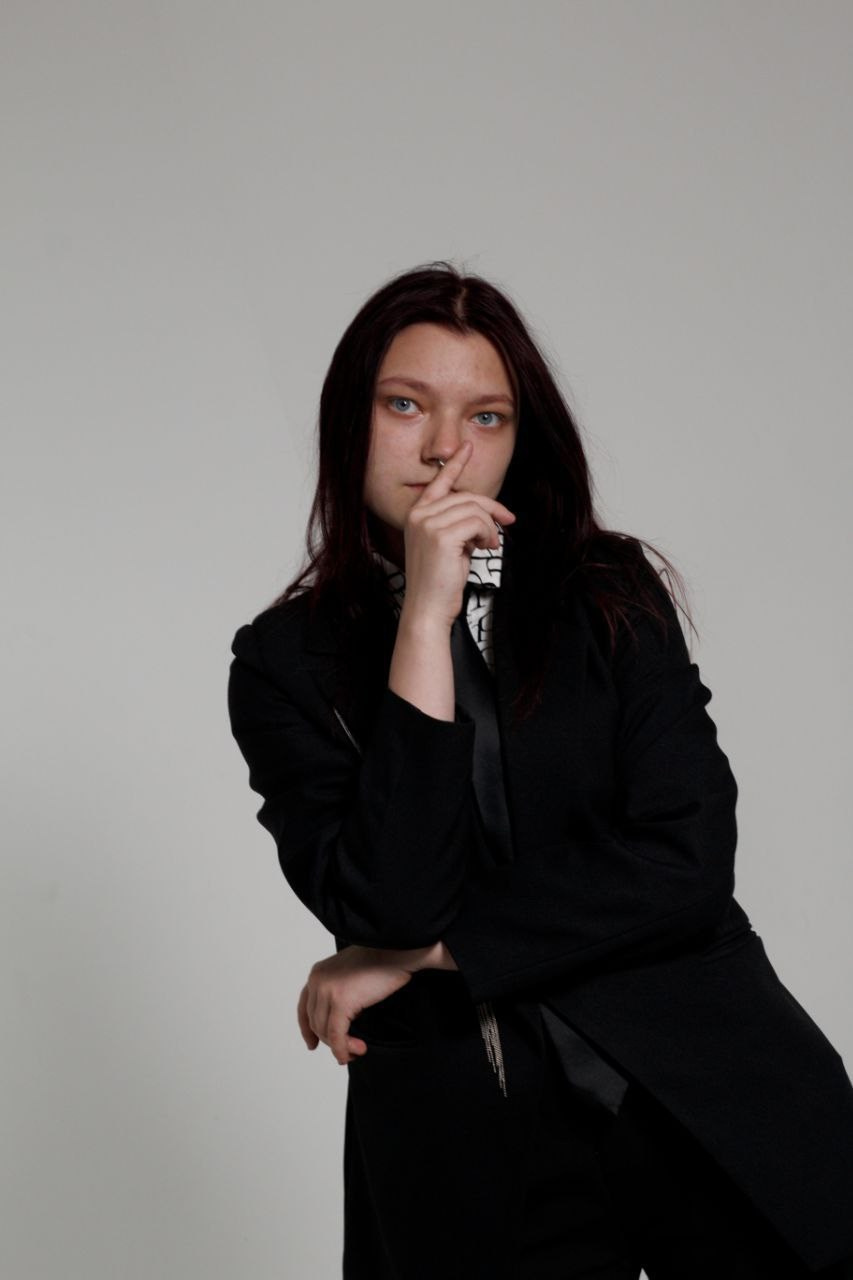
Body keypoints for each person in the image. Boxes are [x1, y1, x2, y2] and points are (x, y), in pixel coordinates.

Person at [227, 261, 853, 1279]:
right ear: (350, 422)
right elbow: (391, 897)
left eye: (486, 417)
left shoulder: (607, 591)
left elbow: (684, 861)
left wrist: (427, 955)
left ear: (520, 440)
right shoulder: (282, 663)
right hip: (467, 1143)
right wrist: (425, 619)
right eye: (404, 405)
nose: (444, 448)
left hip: (705, 1090)